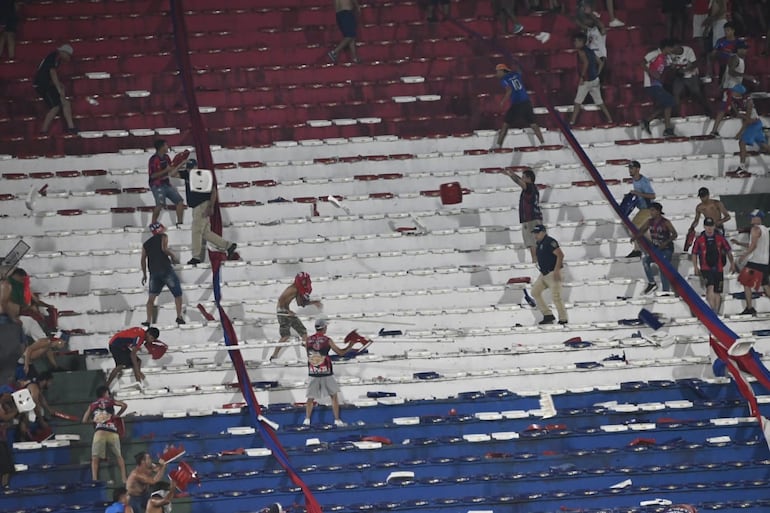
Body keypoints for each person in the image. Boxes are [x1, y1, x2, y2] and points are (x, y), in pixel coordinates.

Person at [0, 268, 67, 376]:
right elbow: (30, 350)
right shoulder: (7, 286)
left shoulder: (19, 288)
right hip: (17, 320)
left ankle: (54, 366)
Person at [177, 164, 237, 266]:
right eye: (189, 167)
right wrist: (181, 163)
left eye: (193, 167)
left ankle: (196, 257)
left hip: (202, 205)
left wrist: (210, 206)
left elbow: (213, 190)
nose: (191, 169)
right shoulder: (187, 175)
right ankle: (228, 246)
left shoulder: (203, 175)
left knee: (196, 231)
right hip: (196, 206)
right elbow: (172, 174)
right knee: (206, 233)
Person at [303, 318, 356, 426]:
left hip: (314, 371)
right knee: (333, 396)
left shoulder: (308, 340)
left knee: (310, 397)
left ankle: (307, 420)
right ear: (324, 327)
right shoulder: (327, 340)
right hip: (326, 371)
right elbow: (340, 352)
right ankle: (337, 420)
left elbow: (309, 354)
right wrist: (350, 345)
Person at [270, 273, 322, 361]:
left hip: (287, 312)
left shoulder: (298, 289)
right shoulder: (292, 289)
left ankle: (310, 355)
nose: (305, 283)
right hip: (282, 312)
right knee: (285, 335)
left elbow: (300, 303)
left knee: (303, 332)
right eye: (304, 281)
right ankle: (274, 355)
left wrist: (313, 302)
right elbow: (281, 300)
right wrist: (287, 311)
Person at [492, 63, 544, 149]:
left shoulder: (503, 80)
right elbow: (520, 71)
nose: (496, 74)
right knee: (533, 124)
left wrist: (502, 101)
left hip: (517, 104)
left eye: (497, 71)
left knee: (505, 125)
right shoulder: (516, 74)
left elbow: (509, 90)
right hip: (526, 102)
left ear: (502, 71)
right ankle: (543, 143)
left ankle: (498, 145)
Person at [81, 386, 127, 483]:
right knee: (119, 456)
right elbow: (124, 405)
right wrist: (117, 415)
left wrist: (94, 420)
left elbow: (84, 420)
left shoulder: (92, 405)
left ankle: (94, 479)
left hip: (100, 431)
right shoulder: (110, 401)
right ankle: (124, 479)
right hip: (112, 430)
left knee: (95, 458)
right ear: (105, 393)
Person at [141, 223, 184, 326]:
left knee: (151, 298)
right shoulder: (163, 237)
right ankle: (179, 316)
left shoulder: (146, 244)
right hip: (165, 269)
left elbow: (143, 259)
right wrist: (173, 256)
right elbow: (164, 249)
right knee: (177, 294)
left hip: (153, 272)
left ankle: (148, 320)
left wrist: (144, 274)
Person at [710, 40, 755, 136]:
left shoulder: (741, 59)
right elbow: (731, 72)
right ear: (738, 49)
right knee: (723, 108)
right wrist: (746, 76)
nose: (745, 51)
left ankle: (743, 125)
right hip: (731, 87)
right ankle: (714, 130)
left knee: (741, 104)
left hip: (735, 86)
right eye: (743, 49)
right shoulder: (734, 58)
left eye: (746, 49)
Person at [692, 217, 736, 312]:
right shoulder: (700, 239)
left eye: (711, 226)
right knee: (710, 287)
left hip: (719, 268)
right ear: (704, 226)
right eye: (707, 226)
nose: (709, 228)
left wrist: (732, 263)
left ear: (714, 226)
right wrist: (695, 267)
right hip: (705, 267)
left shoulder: (720, 238)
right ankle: (712, 311)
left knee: (717, 291)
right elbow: (694, 253)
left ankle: (715, 312)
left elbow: (728, 251)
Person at [731, 209, 770, 315]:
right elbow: (754, 244)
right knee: (765, 285)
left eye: (753, 217)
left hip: (755, 262)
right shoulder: (765, 229)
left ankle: (749, 307)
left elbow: (753, 246)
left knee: (745, 282)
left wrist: (744, 255)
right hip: (765, 262)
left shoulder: (755, 229)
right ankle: (749, 307)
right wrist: (739, 243)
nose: (751, 220)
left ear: (758, 218)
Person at [634, 202, 678, 294]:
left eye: (652, 210)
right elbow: (642, 230)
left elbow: (674, 234)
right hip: (656, 249)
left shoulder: (665, 222)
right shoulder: (649, 221)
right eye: (650, 210)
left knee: (663, 268)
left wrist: (665, 242)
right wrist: (635, 237)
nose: (651, 212)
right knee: (646, 261)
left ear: (658, 211)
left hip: (666, 249)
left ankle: (665, 291)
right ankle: (652, 283)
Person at [570, 32, 612, 125]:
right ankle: (610, 119)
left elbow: (586, 63)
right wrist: (597, 73)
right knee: (600, 102)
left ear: (581, 42)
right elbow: (600, 63)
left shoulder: (581, 52)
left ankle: (572, 122)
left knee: (577, 102)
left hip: (586, 81)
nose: (574, 43)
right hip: (595, 80)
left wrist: (581, 77)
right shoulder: (591, 51)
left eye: (576, 41)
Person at [33, 44, 76, 134]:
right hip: (43, 85)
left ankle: (71, 127)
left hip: (47, 84)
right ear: (64, 52)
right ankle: (43, 130)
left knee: (66, 103)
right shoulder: (54, 56)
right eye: (68, 55)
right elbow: (52, 73)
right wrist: (58, 89)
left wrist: (59, 85)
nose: (68, 58)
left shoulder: (56, 58)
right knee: (55, 107)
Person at [503, 167, 543, 263]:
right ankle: (537, 260)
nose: (522, 179)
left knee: (531, 241)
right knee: (535, 241)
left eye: (523, 177)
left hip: (530, 219)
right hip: (535, 217)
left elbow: (519, 182)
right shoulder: (534, 188)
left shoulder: (529, 187)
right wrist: (511, 174)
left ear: (528, 178)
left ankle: (535, 260)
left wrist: (511, 175)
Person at [531, 224, 567, 325]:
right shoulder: (539, 243)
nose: (535, 235)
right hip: (544, 274)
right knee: (535, 292)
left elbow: (560, 255)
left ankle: (563, 319)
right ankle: (548, 315)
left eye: (537, 233)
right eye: (534, 233)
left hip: (553, 272)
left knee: (556, 297)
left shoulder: (550, 241)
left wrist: (556, 271)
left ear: (543, 232)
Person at [729, 84, 770, 173]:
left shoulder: (748, 102)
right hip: (754, 123)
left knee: (742, 143)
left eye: (734, 91)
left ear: (738, 93)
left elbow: (747, 119)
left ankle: (742, 167)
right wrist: (733, 106)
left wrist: (740, 133)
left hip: (754, 124)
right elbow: (739, 114)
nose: (732, 92)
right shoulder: (736, 100)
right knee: (763, 145)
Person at [667, 40, 713, 117]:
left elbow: (694, 64)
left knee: (697, 93)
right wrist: (675, 70)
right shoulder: (670, 54)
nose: (672, 51)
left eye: (673, 48)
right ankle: (677, 114)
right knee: (676, 93)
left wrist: (685, 70)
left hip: (691, 75)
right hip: (679, 76)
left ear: (678, 46)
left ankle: (708, 110)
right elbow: (670, 66)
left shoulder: (688, 50)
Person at [640, 39, 676, 137]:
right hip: (650, 84)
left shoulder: (667, 58)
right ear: (667, 47)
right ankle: (667, 129)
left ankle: (647, 120)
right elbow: (642, 63)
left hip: (658, 84)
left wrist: (673, 67)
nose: (673, 50)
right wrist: (651, 72)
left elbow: (668, 68)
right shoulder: (654, 54)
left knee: (668, 103)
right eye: (672, 48)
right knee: (670, 101)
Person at [148, 140, 186, 227]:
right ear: (161, 147)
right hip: (157, 184)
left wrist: (180, 164)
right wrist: (166, 170)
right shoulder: (154, 159)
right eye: (166, 145)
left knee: (179, 201)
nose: (167, 147)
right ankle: (153, 224)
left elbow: (171, 169)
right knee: (160, 204)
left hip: (166, 183)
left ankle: (180, 223)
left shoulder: (166, 157)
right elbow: (152, 176)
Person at [626, 161, 657, 258]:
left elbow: (653, 196)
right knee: (642, 229)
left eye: (632, 168)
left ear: (638, 169)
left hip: (647, 209)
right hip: (643, 209)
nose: (630, 170)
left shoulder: (643, 182)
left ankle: (637, 250)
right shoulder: (635, 180)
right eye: (629, 168)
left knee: (632, 227)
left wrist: (638, 194)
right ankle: (655, 247)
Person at [0, 392, 17, 488]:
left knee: (7, 466)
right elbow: (4, 417)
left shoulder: (5, 406)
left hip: (3, 439)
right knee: (5, 465)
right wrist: (16, 411)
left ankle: (5, 485)